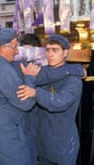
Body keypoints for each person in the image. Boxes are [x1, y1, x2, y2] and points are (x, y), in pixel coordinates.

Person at [17, 34, 84, 164]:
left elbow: (59, 103)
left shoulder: (73, 79)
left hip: (62, 142)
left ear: (65, 52)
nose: (50, 54)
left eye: (55, 50)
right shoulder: (42, 72)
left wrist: (35, 93)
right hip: (42, 142)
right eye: (47, 50)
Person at [0, 28, 39, 165]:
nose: (17, 51)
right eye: (14, 47)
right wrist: (30, 78)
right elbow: (26, 103)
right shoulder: (3, 71)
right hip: (8, 139)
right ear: (1, 48)